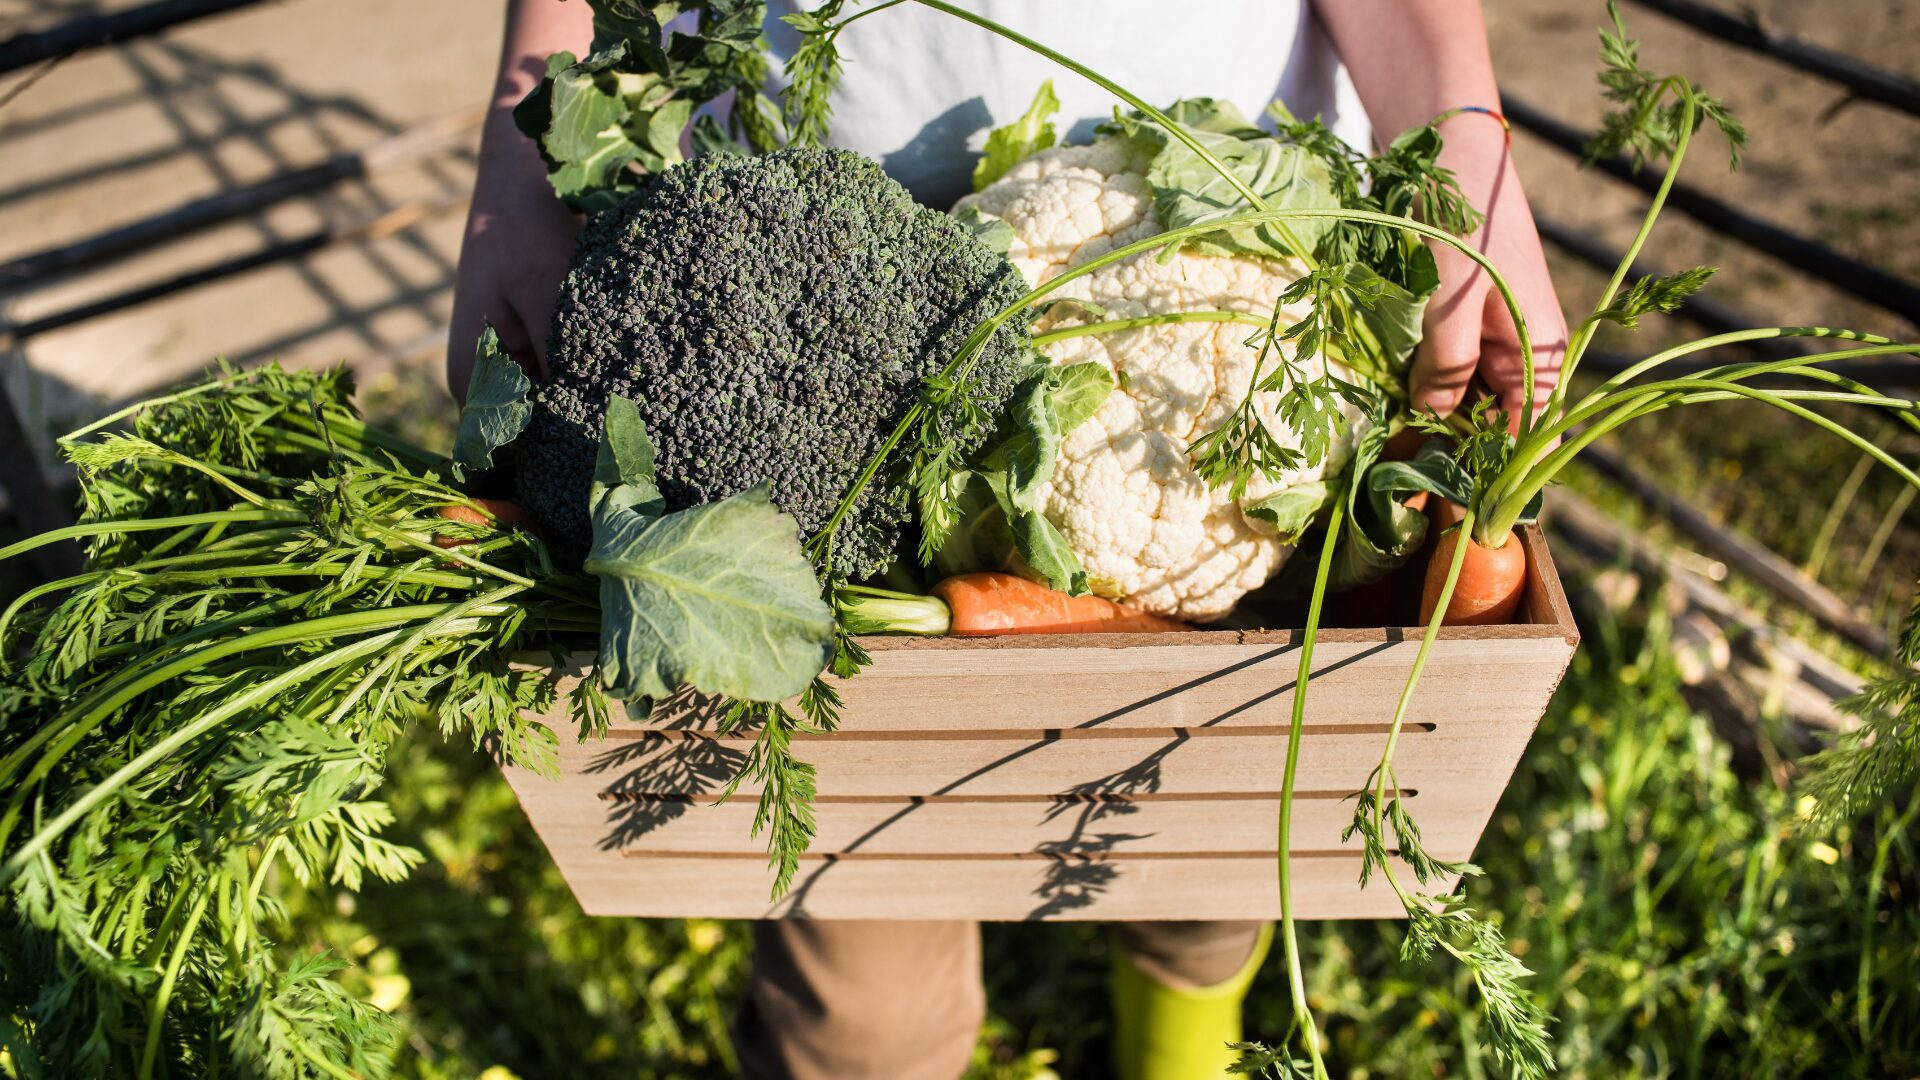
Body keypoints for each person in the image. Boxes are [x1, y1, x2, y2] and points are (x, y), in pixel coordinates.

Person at [450, 2, 1569, 1077]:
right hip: (807, 322)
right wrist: (521, 152)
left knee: (1214, 850)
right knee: (858, 1010)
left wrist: (1464, 137)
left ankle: (1185, 1043)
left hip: (1263, 256)